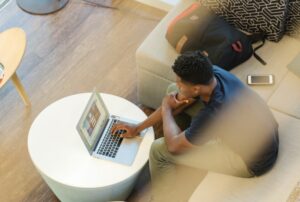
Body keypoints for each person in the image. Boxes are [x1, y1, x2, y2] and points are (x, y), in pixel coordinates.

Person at [112, 51, 279, 201]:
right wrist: (137, 128)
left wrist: (166, 110)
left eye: (181, 83)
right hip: (265, 132)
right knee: (173, 93)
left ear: (197, 88)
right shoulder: (213, 73)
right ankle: (186, 139)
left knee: (158, 150)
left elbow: (172, 147)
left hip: (250, 161)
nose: (178, 85)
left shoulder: (214, 112)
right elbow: (177, 99)